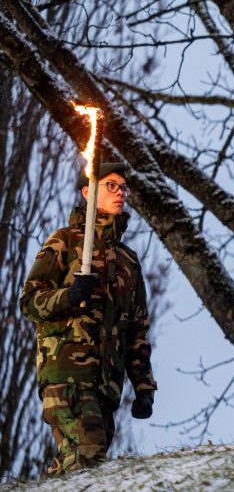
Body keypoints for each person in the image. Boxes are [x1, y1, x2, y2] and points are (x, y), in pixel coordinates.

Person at [20, 162, 156, 475]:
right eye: (111, 185)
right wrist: (68, 296)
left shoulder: (128, 261)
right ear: (87, 192)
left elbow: (136, 330)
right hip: (67, 375)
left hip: (106, 385)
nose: (120, 192)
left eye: (123, 187)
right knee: (88, 458)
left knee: (79, 466)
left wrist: (144, 388)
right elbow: (28, 302)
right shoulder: (65, 241)